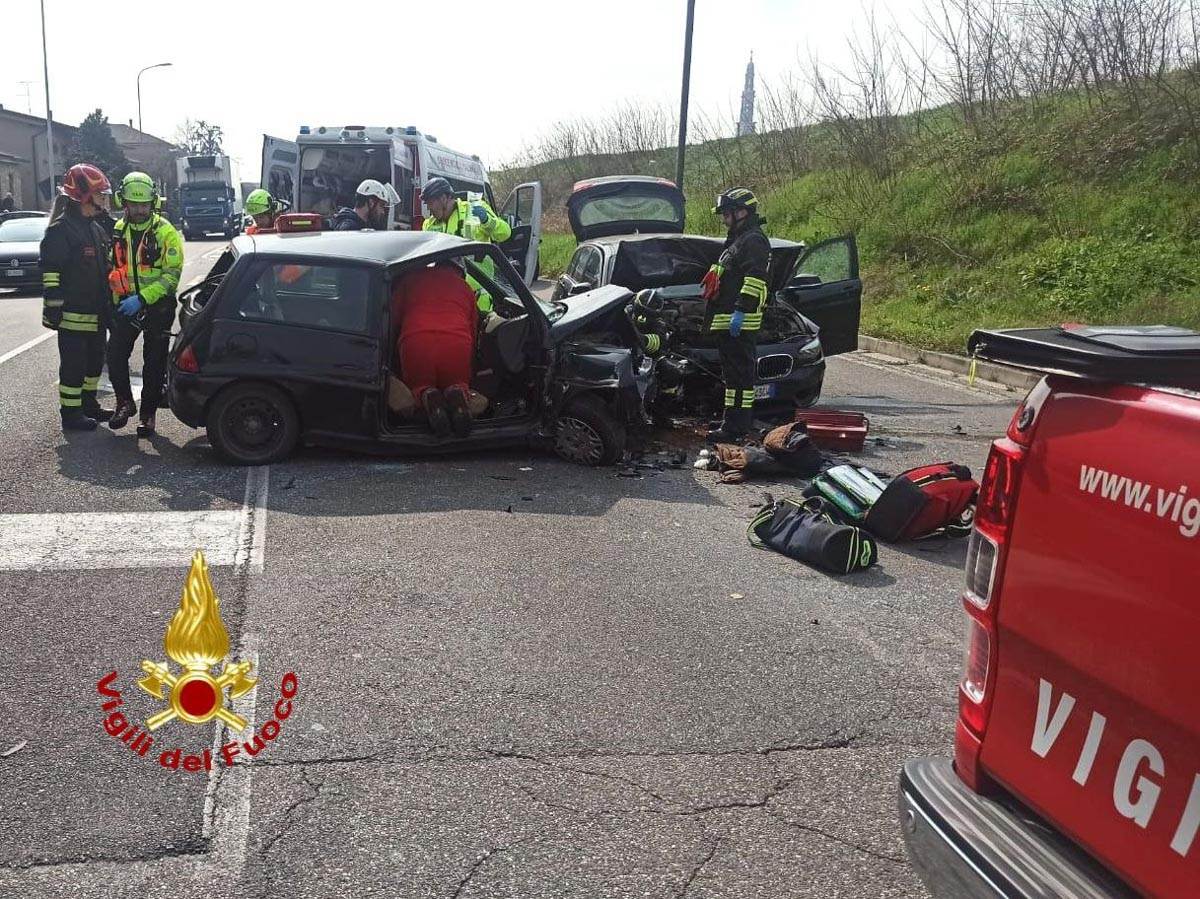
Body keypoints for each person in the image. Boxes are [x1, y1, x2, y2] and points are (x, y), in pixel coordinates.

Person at [106, 171, 184, 437]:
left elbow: (171, 277)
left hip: (157, 306)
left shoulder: (165, 232)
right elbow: (115, 266)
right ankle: (124, 402)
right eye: (134, 204)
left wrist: (142, 299)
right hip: (126, 305)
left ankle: (148, 415)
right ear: (123, 202)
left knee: (154, 361)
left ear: (153, 202)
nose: (140, 210)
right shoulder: (119, 230)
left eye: (144, 205)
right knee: (115, 354)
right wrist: (117, 300)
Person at [39, 164, 113, 431]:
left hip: (96, 314)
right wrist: (54, 308)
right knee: (74, 368)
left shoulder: (94, 228)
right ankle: (71, 414)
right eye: (100, 194)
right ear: (83, 195)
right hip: (72, 316)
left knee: (94, 365)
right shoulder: (61, 231)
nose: (104, 200)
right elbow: (51, 273)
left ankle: (88, 405)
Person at [701, 187, 771, 443]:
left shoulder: (753, 241)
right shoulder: (738, 240)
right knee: (733, 379)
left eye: (726, 214)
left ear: (742, 212)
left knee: (741, 380)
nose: (724, 219)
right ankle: (731, 421)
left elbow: (755, 280)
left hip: (740, 322)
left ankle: (736, 428)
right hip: (728, 321)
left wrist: (740, 311)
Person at [390, 260, 477, 438]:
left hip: (416, 341)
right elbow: (474, 328)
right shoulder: (465, 287)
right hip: (456, 343)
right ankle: (457, 392)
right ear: (460, 271)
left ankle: (427, 396)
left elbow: (391, 319)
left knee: (419, 385)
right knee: (457, 381)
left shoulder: (410, 280)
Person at [420, 177, 511, 312]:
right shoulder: (429, 224)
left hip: (477, 296)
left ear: (444, 198)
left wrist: (487, 221)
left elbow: (505, 233)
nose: (428, 208)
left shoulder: (474, 209)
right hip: (446, 296)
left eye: (430, 202)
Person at [331, 179, 400, 231]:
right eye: (381, 205)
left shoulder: (360, 224)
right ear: (371, 203)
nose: (383, 212)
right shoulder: (351, 228)